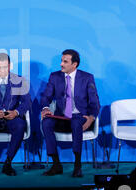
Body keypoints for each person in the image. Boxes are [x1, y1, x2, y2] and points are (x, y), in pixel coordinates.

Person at [40, 49, 99, 178]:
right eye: (61, 61)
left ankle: (77, 165)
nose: (61, 64)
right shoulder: (55, 77)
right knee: (46, 123)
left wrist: (91, 118)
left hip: (79, 117)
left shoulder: (87, 78)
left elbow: (95, 103)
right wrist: (45, 108)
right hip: (61, 117)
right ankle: (56, 164)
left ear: (74, 64)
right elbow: (46, 97)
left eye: (65, 62)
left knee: (76, 123)